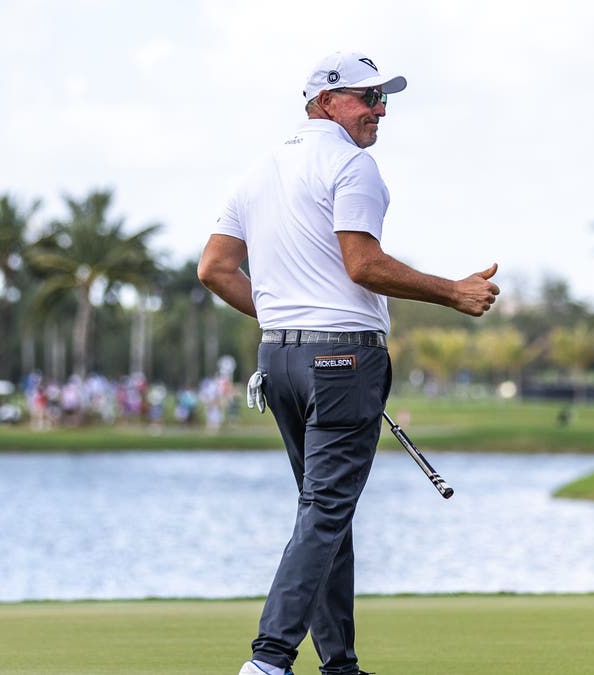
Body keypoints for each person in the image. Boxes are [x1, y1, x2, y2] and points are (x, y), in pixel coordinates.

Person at [198, 50, 500, 675]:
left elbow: (214, 269)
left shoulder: (259, 169)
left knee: (323, 510)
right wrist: (454, 291)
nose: (380, 110)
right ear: (326, 103)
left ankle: (339, 665)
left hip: (280, 363)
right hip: (341, 363)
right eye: (368, 98)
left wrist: (286, 316)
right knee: (326, 510)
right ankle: (269, 660)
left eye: (384, 98)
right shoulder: (352, 165)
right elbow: (362, 265)